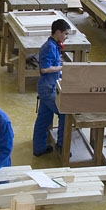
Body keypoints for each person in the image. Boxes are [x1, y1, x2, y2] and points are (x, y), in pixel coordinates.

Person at [32, 19, 70, 157]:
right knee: (64, 113)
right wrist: (63, 67)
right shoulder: (49, 47)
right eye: (65, 34)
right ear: (58, 32)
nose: (66, 37)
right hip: (48, 89)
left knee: (43, 118)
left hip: (47, 87)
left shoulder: (54, 45)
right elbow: (45, 68)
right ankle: (61, 144)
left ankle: (39, 148)